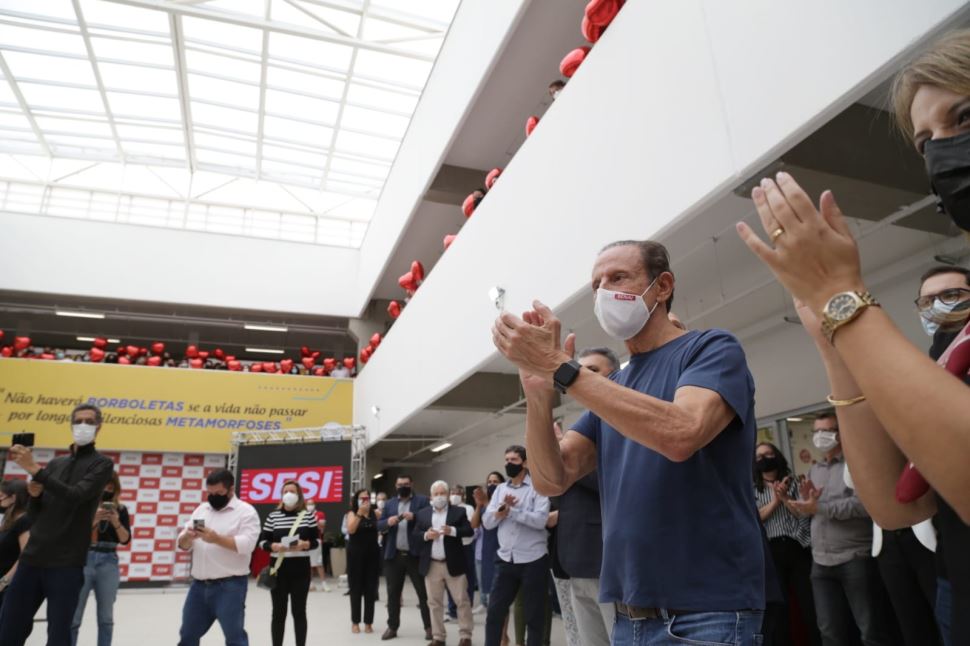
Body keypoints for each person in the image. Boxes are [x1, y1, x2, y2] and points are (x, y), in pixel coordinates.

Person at [734, 30, 970, 644]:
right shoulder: (957, 343)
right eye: (926, 143)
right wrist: (828, 337)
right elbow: (899, 506)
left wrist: (845, 299)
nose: (942, 153)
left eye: (962, 118)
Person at [492, 239, 766, 645]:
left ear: (663, 286)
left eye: (618, 277)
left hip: (706, 611)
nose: (604, 291)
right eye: (596, 284)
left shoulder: (710, 349)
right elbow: (553, 479)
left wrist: (561, 369)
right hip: (629, 614)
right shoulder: (615, 386)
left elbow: (681, 433)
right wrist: (538, 395)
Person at [0, 403, 114, 646]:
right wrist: (36, 495)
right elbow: (35, 514)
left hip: (66, 564)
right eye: (78, 421)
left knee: (59, 636)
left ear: (99, 427)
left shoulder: (102, 464)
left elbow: (76, 495)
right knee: (8, 629)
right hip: (31, 560)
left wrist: (34, 470)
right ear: (71, 425)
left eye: (89, 421)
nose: (83, 425)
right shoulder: (55, 464)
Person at [789, 413, 896, 646]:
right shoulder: (814, 470)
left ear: (839, 433)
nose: (819, 436)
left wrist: (820, 507)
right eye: (816, 431)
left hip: (854, 557)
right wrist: (800, 502)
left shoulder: (855, 464)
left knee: (870, 630)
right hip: (820, 561)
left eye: (825, 431)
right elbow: (809, 510)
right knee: (829, 632)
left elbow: (863, 505)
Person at [551, 348, 618, 646]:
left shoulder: (624, 425)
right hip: (573, 559)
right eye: (580, 371)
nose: (584, 378)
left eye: (594, 370)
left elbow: (614, 481)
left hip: (606, 559)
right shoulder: (583, 427)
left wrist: (570, 461)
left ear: (615, 376)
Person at [176, 468, 260, 646]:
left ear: (231, 490)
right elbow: (182, 544)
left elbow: (247, 545)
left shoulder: (246, 512)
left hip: (230, 586)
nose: (214, 497)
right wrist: (186, 538)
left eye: (219, 493)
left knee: (234, 638)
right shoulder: (201, 510)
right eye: (210, 493)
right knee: (187, 635)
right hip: (198, 586)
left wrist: (216, 539)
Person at [481, 445, 550, 646]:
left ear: (525, 463)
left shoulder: (538, 487)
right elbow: (487, 522)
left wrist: (512, 512)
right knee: (494, 612)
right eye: (506, 460)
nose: (508, 464)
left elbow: (540, 520)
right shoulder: (500, 490)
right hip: (506, 560)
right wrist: (500, 511)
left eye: (513, 460)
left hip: (533, 560)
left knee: (534, 616)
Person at [754, 442, 821, 646]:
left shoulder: (794, 483)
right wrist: (775, 501)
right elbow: (755, 518)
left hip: (797, 548)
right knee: (779, 610)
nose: (764, 459)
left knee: (809, 604)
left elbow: (801, 513)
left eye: (768, 454)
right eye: (759, 457)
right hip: (770, 551)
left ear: (777, 456)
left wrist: (785, 498)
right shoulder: (751, 488)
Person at [71, 471, 131, 646]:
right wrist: (93, 519)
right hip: (84, 558)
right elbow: (73, 535)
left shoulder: (120, 510)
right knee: (74, 616)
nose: (107, 491)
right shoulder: (84, 507)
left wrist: (116, 522)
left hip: (108, 561)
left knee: (106, 617)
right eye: (104, 487)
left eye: (111, 488)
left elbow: (125, 539)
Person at [414, 480, 474, 646]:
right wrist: (426, 535)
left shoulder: (459, 512)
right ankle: (438, 637)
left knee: (462, 600)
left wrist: (452, 531)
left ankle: (465, 635)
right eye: (436, 494)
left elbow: (469, 530)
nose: (439, 497)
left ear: (448, 496)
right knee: (434, 603)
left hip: (453, 563)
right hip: (432, 564)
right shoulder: (423, 513)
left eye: (442, 493)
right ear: (431, 496)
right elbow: (415, 534)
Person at [258, 480, 318, 646]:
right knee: (278, 613)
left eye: (292, 491)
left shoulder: (307, 516)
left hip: (300, 570)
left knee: (299, 612)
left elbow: (317, 541)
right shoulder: (273, 516)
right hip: (278, 570)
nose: (288, 494)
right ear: (281, 495)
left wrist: (305, 544)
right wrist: (273, 546)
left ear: (299, 495)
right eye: (285, 491)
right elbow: (262, 542)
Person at [377, 474, 432, 641]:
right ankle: (392, 627)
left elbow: (430, 520)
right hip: (394, 556)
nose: (403, 486)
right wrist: (388, 522)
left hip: (415, 555)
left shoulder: (422, 501)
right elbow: (378, 525)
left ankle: (429, 627)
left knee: (423, 593)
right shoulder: (390, 503)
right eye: (400, 484)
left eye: (406, 484)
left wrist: (414, 517)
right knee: (393, 594)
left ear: (412, 484)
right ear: (395, 485)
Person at [346, 489, 381, 634]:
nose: (364, 500)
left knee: (370, 589)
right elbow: (351, 530)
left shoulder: (376, 514)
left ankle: (368, 622)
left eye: (366, 497)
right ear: (356, 499)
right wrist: (360, 513)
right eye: (361, 498)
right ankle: (355, 622)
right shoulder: (352, 514)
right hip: (355, 556)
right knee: (356, 588)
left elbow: (382, 528)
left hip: (372, 555)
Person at [472, 473, 505, 615]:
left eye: (495, 482)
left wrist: (485, 503)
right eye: (490, 482)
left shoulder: (502, 502)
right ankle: (485, 604)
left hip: (499, 548)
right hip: (485, 549)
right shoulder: (485, 503)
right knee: (485, 585)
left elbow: (491, 523)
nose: (492, 484)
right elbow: (474, 524)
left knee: (498, 592)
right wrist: (479, 506)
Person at [445, 484, 477, 621]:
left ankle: (467, 609)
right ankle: (452, 610)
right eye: (452, 492)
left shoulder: (468, 508)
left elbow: (469, 528)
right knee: (451, 577)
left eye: (457, 492)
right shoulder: (447, 509)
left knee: (468, 578)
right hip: (452, 546)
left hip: (466, 546)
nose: (454, 494)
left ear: (463, 495)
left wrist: (454, 530)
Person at [0, 480, 30, 610]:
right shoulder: (9, 518)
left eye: (1, 495)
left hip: (9, 585)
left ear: (13, 498)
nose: (0, 499)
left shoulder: (24, 520)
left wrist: (5, 580)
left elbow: (25, 554)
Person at [306, 499, 331, 592]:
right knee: (308, 564)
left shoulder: (320, 514)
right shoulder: (303, 514)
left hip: (316, 541)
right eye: (308, 504)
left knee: (318, 563)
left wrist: (312, 522)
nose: (310, 505)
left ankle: (324, 584)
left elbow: (322, 526)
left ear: (314, 505)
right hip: (306, 542)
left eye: (311, 504)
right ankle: (310, 584)